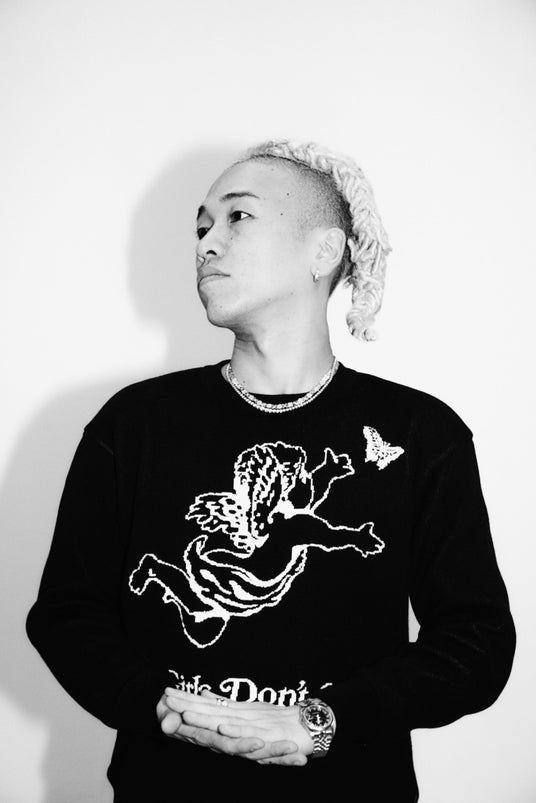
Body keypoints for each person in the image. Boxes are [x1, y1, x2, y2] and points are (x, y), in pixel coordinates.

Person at [26, 138, 516, 801]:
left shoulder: (421, 434)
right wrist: (158, 706)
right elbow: (65, 614)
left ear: (324, 251)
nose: (206, 244)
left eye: (238, 216)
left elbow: (477, 643)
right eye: (201, 227)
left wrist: (323, 722)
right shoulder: (133, 425)